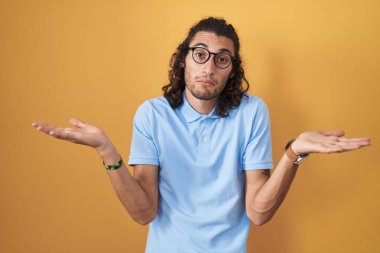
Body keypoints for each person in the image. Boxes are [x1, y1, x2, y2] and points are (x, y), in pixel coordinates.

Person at [32, 17, 371, 253]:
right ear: (183, 61)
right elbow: (144, 212)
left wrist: (294, 152)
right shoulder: (153, 114)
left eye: (222, 59)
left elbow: (258, 212)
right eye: (200, 54)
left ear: (232, 70)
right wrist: (107, 151)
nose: (209, 67)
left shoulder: (252, 113)